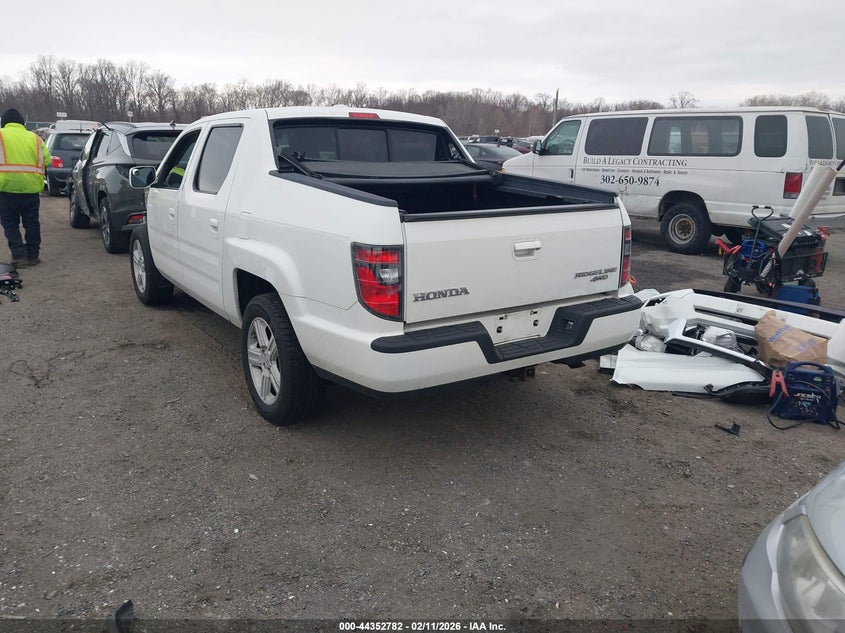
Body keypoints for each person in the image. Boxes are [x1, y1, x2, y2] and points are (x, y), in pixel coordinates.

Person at [0, 108, 50, 267]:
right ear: (22, 123)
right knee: (32, 222)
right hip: (31, 188)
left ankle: (18, 255)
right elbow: (47, 160)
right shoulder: (35, 139)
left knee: (10, 223)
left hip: (5, 188)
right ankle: (33, 255)